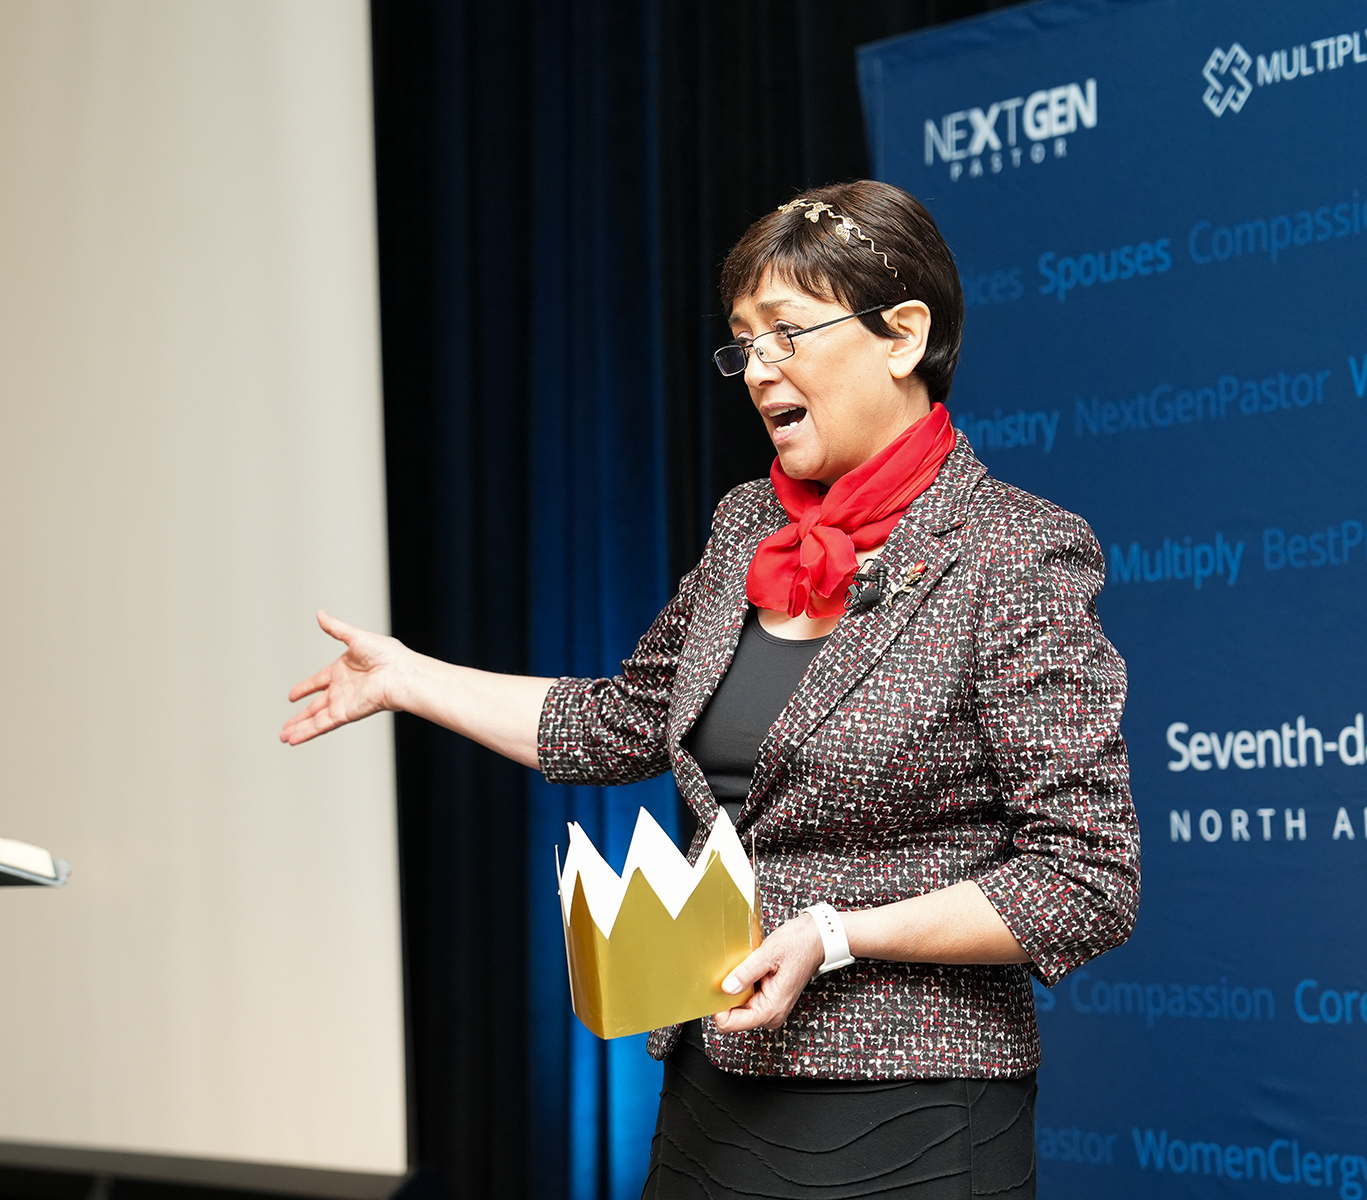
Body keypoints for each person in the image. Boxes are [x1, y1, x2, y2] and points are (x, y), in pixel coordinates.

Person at [282, 180, 1139, 1197]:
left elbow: (1087, 881)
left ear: (903, 335)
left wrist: (835, 936)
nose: (758, 370)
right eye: (743, 344)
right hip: (712, 1086)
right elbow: (621, 725)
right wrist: (412, 679)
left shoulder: (1015, 551)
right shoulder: (747, 527)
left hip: (906, 1105)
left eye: (787, 333)